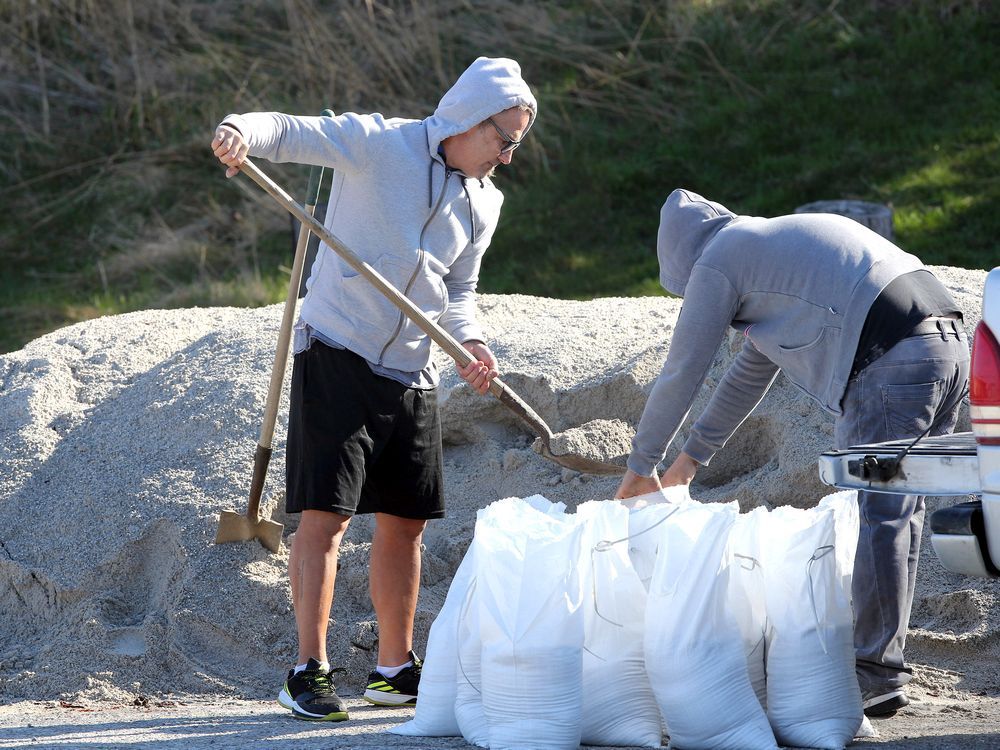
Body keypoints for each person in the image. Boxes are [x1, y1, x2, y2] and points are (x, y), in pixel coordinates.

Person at [210, 57, 536, 722]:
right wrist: (237, 130)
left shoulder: (485, 203)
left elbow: (460, 292)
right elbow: (284, 129)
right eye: (504, 140)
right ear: (469, 121)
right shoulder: (377, 144)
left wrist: (471, 343)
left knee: (407, 525)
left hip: (413, 371)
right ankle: (307, 669)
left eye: (517, 145)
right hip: (338, 351)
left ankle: (392, 668)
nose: (507, 157)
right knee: (325, 520)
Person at [615, 189, 969, 719]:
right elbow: (747, 373)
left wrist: (639, 467)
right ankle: (882, 668)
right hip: (949, 343)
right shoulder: (771, 252)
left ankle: (874, 676)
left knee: (880, 515)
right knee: (901, 513)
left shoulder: (716, 261)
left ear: (684, 266)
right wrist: (687, 463)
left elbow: (681, 370)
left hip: (892, 357)